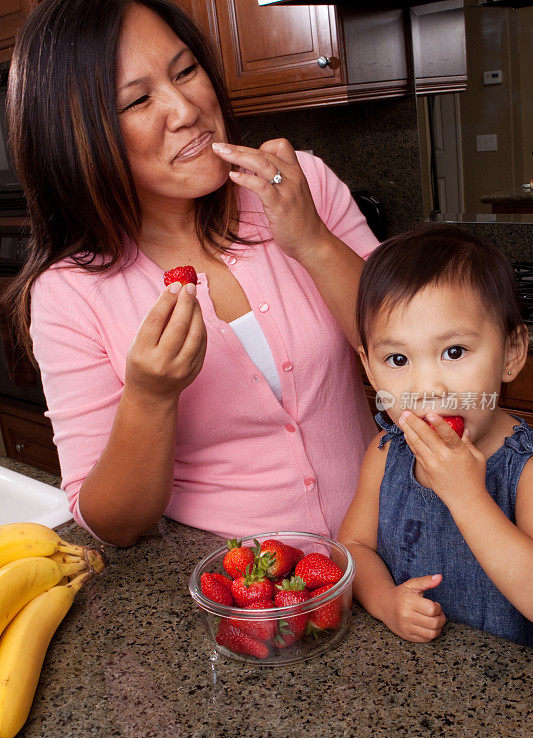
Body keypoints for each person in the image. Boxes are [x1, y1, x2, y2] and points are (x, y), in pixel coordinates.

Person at [5, 0, 379, 547]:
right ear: (77, 140)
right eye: (137, 100)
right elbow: (113, 522)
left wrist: (314, 242)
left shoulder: (304, 185)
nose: (186, 109)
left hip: (392, 549)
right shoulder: (69, 295)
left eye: (186, 71)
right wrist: (150, 396)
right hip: (245, 594)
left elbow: (417, 364)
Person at [338, 225, 533, 647]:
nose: (427, 387)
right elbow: (353, 545)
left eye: (454, 352)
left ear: (511, 354)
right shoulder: (385, 453)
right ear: (370, 370)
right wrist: (384, 601)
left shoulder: (527, 470)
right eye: (397, 358)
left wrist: (466, 495)